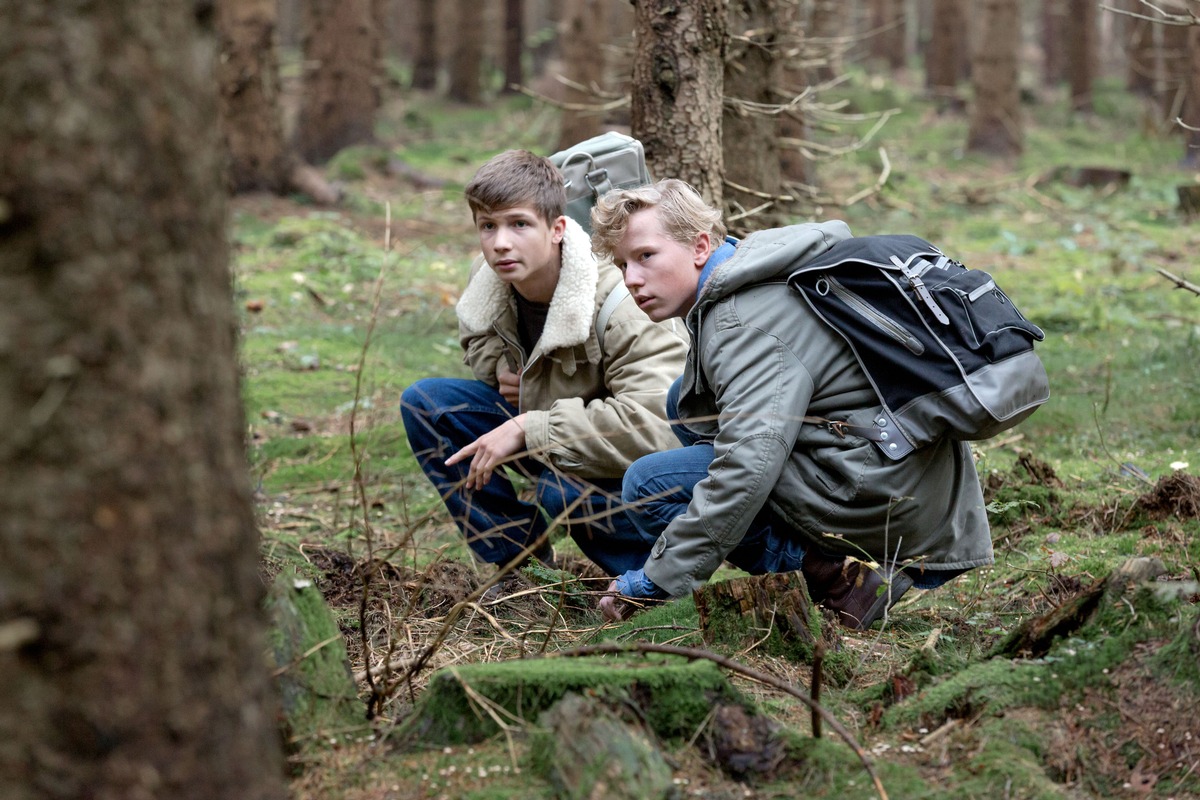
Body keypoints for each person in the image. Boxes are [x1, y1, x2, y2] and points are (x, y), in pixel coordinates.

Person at [588, 180, 994, 629]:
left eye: (646, 256)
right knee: (684, 402)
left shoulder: (743, 321)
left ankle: (840, 579)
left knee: (648, 484)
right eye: (623, 263)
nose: (631, 278)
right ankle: (827, 561)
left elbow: (747, 467)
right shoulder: (753, 267)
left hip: (885, 492)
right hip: (898, 470)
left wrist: (655, 580)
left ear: (700, 246)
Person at [400, 150, 688, 586]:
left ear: (556, 229)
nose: (500, 243)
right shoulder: (491, 276)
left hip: (632, 473)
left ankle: (655, 579)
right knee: (427, 404)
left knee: (562, 490)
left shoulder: (621, 302)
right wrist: (501, 369)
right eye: (488, 226)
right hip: (554, 438)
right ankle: (519, 563)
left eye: (519, 224)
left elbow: (659, 425)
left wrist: (531, 427)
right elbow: (477, 338)